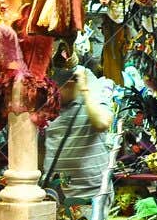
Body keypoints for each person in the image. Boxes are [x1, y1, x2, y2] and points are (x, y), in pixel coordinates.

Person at [40, 61, 114, 206]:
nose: (53, 91)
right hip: (56, 192)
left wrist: (85, 90)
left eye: (57, 86)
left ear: (72, 83)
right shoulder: (49, 104)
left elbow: (102, 123)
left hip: (91, 193)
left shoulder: (93, 96)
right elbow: (41, 148)